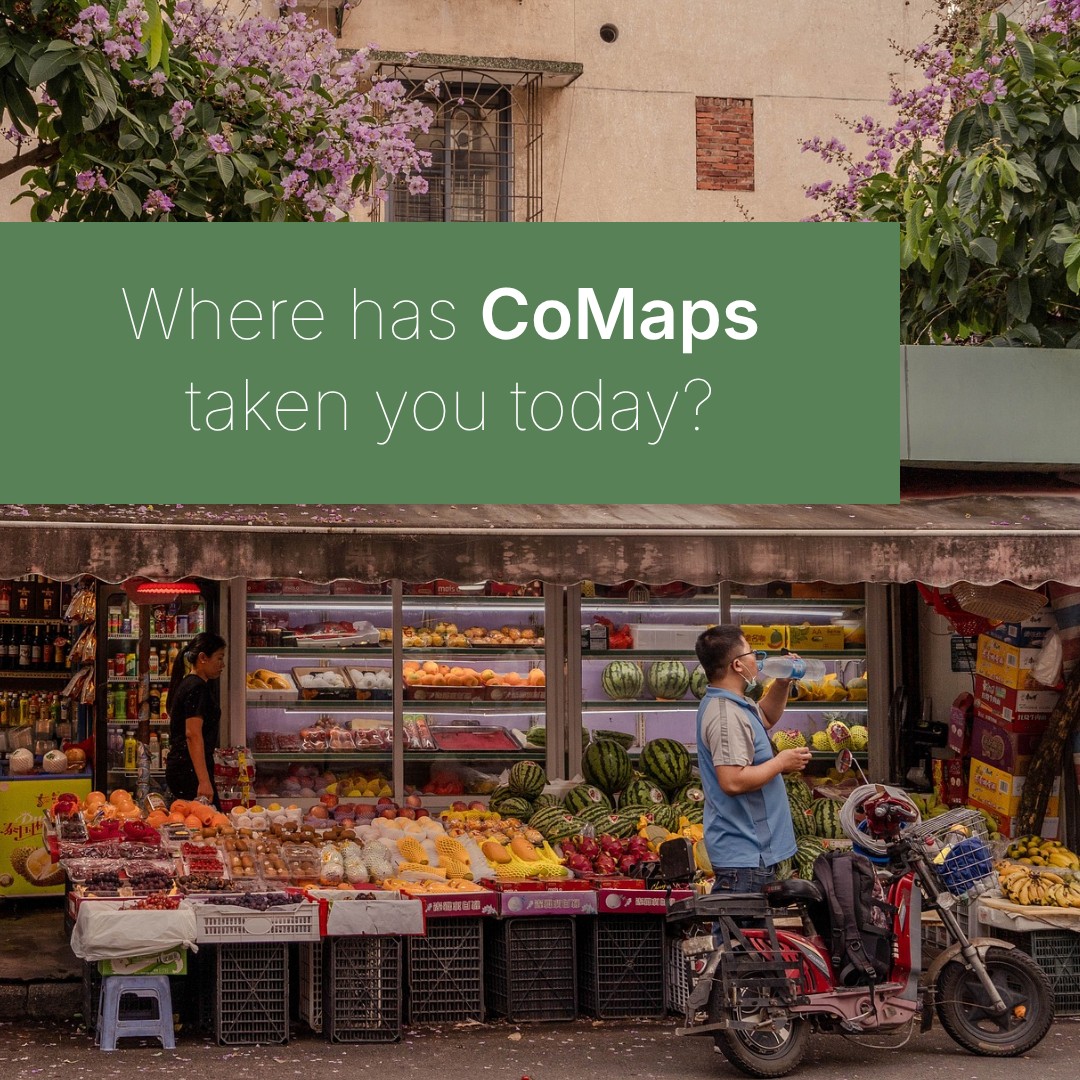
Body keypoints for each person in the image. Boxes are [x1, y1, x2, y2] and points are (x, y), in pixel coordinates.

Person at [694, 624, 812, 894]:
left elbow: (767, 717)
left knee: (737, 934)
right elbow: (733, 781)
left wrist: (782, 682)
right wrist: (781, 763)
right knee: (740, 934)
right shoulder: (725, 716)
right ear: (737, 665)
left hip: (751, 854)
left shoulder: (735, 703)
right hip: (744, 853)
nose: (757, 659)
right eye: (752, 653)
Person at [164, 631, 226, 804]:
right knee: (205, 822)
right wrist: (204, 781)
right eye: (219, 658)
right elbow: (193, 735)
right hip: (189, 769)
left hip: (185, 767)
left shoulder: (189, 684)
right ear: (203, 658)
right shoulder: (197, 688)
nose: (223, 664)